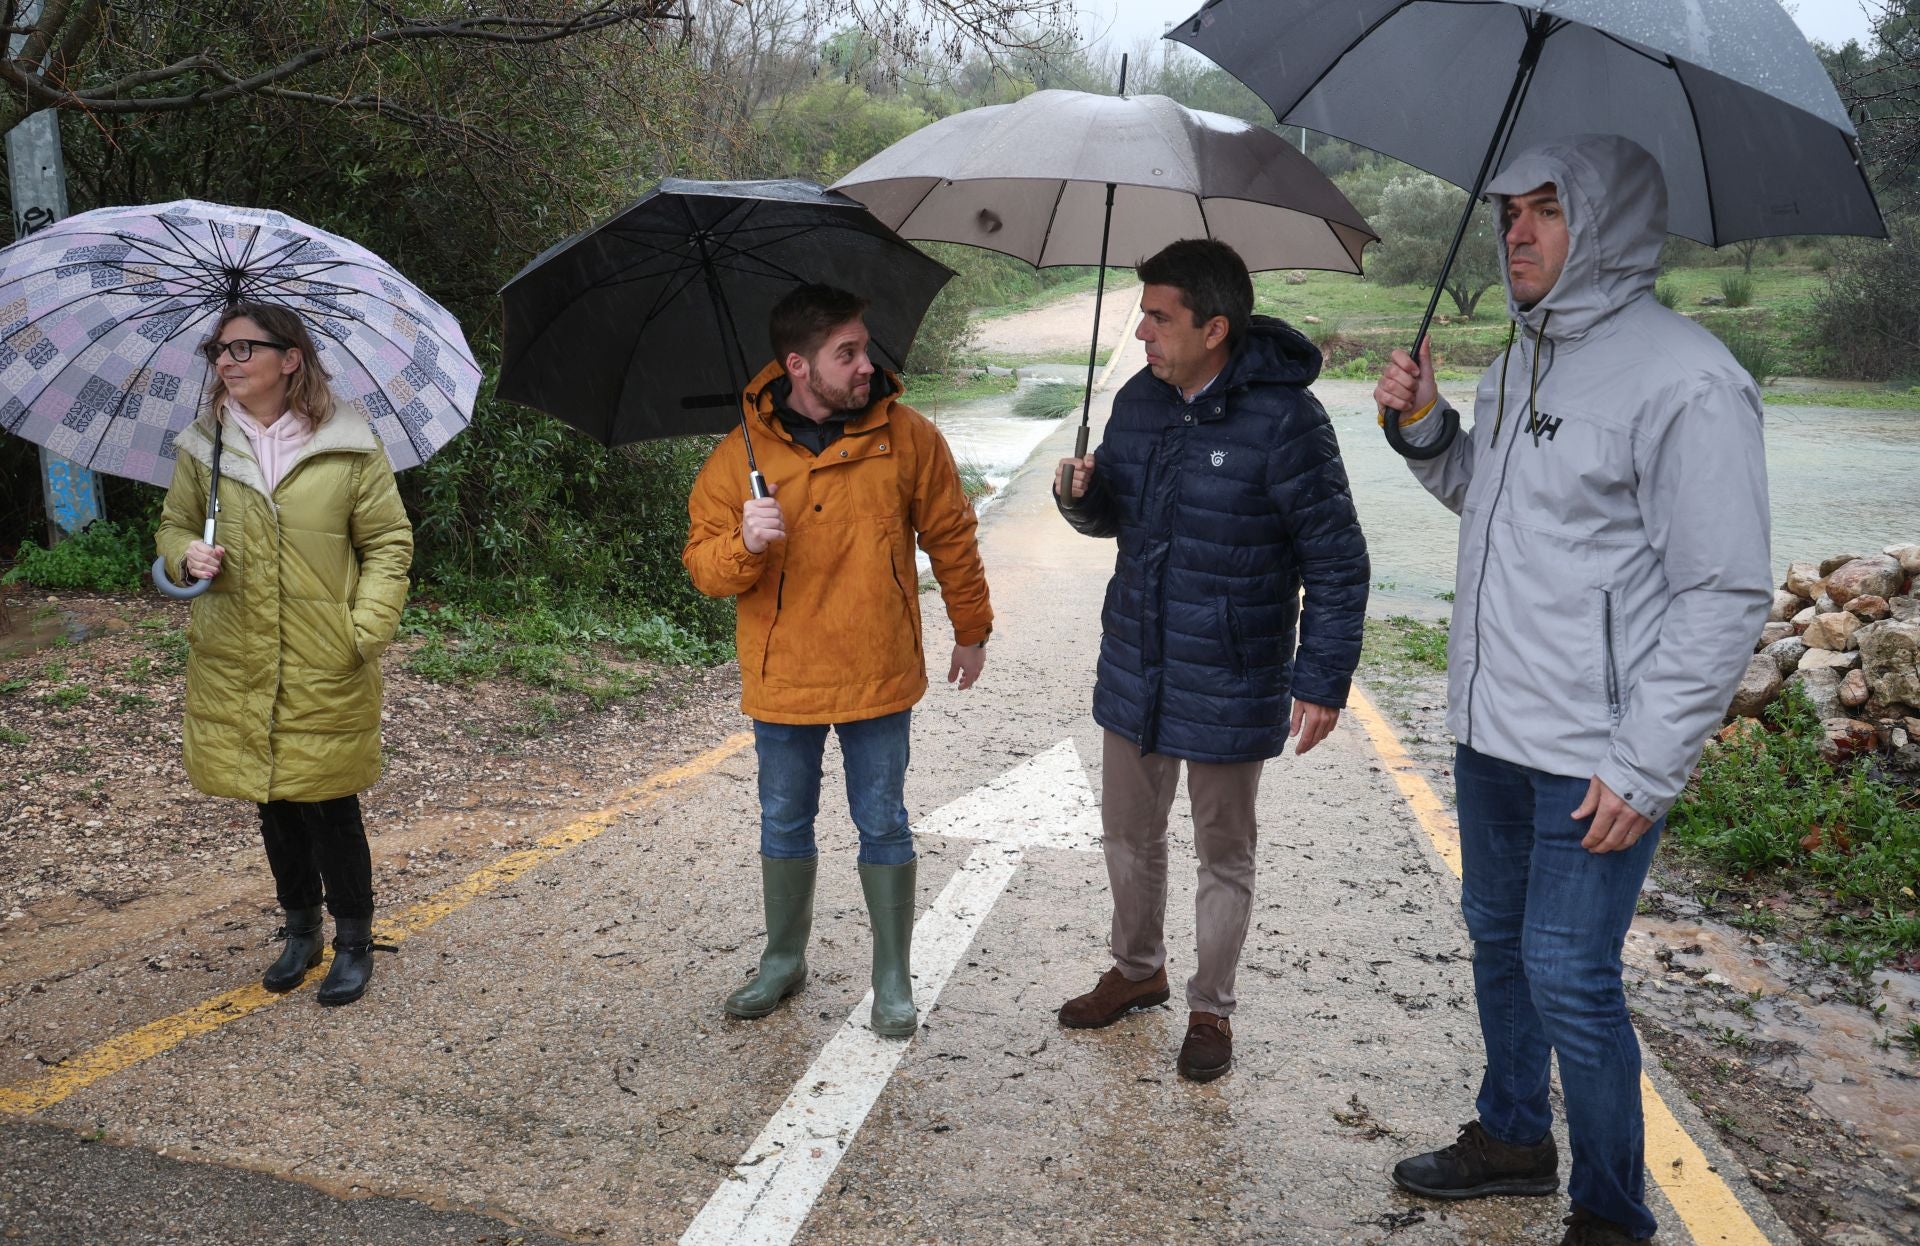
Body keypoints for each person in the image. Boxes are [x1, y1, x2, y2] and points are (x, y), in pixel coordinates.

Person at [1372, 134, 1772, 1245]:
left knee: (1571, 976)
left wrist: (1648, 762)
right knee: (1499, 943)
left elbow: (1725, 590)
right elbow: (1497, 509)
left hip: (1596, 753)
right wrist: (1425, 431)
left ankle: (1609, 1210)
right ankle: (1512, 1136)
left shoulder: (1688, 379)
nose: (1519, 232)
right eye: (1510, 211)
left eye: (1547, 210)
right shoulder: (1521, 359)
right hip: (1495, 730)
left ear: (1606, 226)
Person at [1053, 238, 1368, 1083]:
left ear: (1215, 328)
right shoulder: (1138, 403)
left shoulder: (1288, 421)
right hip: (1138, 658)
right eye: (1143, 314)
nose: (1144, 331)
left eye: (1160, 317)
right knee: (1128, 833)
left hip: (1233, 666)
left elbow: (1337, 561)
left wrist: (1321, 679)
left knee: (1223, 850)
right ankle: (1136, 970)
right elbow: (1115, 513)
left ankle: (1210, 1009)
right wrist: (1078, 498)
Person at [683, 283, 992, 1038]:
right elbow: (704, 569)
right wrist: (745, 544)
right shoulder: (738, 458)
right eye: (845, 353)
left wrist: (971, 624)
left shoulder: (907, 437)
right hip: (783, 674)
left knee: (882, 820)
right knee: (784, 819)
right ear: (798, 365)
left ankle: (892, 977)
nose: (865, 365)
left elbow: (950, 532)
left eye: (864, 348)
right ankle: (783, 960)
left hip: (877, 666)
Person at [156, 302, 413, 1007]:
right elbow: (173, 526)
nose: (228, 361)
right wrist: (186, 554)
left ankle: (354, 939)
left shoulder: (349, 444)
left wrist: (362, 631)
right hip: (237, 654)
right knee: (272, 800)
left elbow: (389, 545)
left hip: (324, 655)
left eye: (243, 347)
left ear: (289, 358)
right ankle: (300, 929)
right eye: (219, 350)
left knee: (329, 800)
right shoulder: (204, 446)